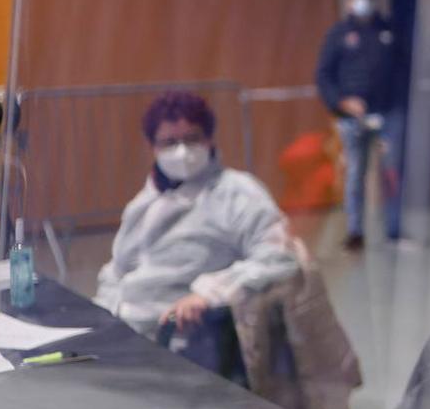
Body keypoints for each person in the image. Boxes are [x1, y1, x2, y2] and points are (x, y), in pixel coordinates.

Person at [95, 92, 298, 381]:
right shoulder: (145, 202)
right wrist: (103, 312)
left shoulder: (237, 193)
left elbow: (279, 257)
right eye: (169, 142)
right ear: (151, 147)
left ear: (210, 139)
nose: (182, 151)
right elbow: (117, 268)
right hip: (123, 333)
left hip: (183, 340)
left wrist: (209, 294)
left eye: (192, 138)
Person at [315, 0, 409, 250]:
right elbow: (323, 75)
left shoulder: (388, 30)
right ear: (348, 1)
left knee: (392, 172)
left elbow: (403, 70)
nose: (363, 1)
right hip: (352, 118)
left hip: (389, 112)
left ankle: (394, 230)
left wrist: (399, 105)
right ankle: (355, 231)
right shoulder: (338, 34)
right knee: (356, 172)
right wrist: (341, 103)